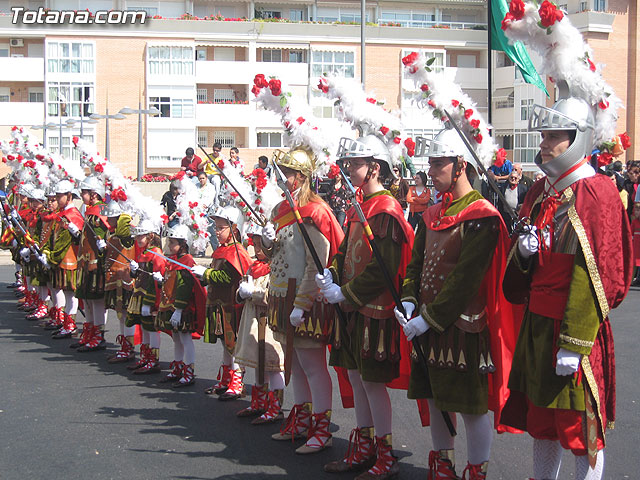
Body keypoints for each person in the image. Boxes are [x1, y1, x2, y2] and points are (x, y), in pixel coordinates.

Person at [501, 82, 633, 480]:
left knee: (581, 432)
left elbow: (602, 275)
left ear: (577, 138)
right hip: (538, 325)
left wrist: (575, 342)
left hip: (576, 329)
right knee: (542, 425)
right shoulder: (540, 191)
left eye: (554, 136)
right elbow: (523, 274)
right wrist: (523, 255)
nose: (544, 143)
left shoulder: (597, 192)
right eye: (543, 135)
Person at [396, 127, 516, 479]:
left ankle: (476, 470)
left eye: (437, 164)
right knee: (435, 400)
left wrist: (428, 317)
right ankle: (442, 465)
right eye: (430, 164)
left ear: (460, 165)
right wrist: (407, 301)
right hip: (427, 324)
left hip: (464, 326)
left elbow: (466, 280)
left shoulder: (482, 215)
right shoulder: (432, 214)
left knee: (470, 407)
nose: (430, 172)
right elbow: (415, 266)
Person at [317, 134, 414, 479]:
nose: (347, 169)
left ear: (375, 167)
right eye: (347, 163)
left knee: (372, 384)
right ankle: (364, 444)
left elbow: (382, 267)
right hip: (353, 309)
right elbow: (345, 253)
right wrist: (330, 275)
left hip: (374, 311)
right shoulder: (359, 207)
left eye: (355, 163)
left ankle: (384, 454)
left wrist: (347, 294)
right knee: (356, 379)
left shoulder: (386, 210)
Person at [263, 147, 344, 455]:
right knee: (294, 364)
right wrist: (266, 242)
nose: (279, 177)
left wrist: (303, 302)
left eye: (286, 172)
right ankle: (301, 418)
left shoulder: (316, 210)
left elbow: (317, 263)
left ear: (301, 177)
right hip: (282, 295)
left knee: (312, 365)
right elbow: (275, 256)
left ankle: (322, 429)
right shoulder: (280, 208)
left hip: (304, 299)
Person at [192, 206, 253, 401]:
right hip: (218, 304)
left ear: (234, 229)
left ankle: (237, 381)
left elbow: (227, 277)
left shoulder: (237, 251)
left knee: (233, 344)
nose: (216, 231)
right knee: (224, 345)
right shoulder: (221, 250)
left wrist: (207, 274)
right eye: (216, 227)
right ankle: (226, 378)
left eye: (221, 227)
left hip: (231, 306)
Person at [233, 221, 286, 424]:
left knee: (273, 365)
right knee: (257, 362)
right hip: (253, 321)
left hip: (270, 323)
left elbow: (274, 294)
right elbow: (242, 290)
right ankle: (259, 401)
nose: (257, 249)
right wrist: (241, 291)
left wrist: (254, 292)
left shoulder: (277, 266)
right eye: (254, 244)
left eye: (260, 243)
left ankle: (275, 406)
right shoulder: (253, 266)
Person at [155, 224, 205, 388]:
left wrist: (178, 309)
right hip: (171, 305)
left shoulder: (186, 261)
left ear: (183, 244)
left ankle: (189, 372)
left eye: (172, 242)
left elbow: (184, 287)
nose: (169, 246)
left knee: (185, 338)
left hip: (183, 308)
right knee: (176, 339)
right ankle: (177, 367)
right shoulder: (175, 260)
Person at [73, 175, 110, 353]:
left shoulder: (100, 211)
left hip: (96, 263)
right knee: (87, 299)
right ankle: (88, 331)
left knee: (96, 301)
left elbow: (106, 236)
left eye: (84, 193)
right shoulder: (89, 211)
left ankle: (98, 335)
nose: (82, 196)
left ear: (94, 194)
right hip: (85, 262)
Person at [126, 220, 167, 374]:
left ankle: (153, 360)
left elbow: (157, 282)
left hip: (149, 298)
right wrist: (134, 270)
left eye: (140, 236)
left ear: (150, 236)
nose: (137, 240)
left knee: (151, 328)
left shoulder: (156, 254)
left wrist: (152, 303)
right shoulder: (143, 253)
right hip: (140, 295)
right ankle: (145, 357)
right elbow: (139, 276)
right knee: (144, 328)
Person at [46, 180, 84, 339]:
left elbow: (79, 238)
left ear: (68, 196)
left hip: (70, 259)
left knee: (71, 294)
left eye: (59, 196)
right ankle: (66, 323)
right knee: (65, 292)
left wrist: (76, 232)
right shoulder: (62, 214)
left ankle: (70, 325)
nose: (56, 198)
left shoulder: (73, 214)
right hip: (61, 259)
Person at [103, 200, 136, 364]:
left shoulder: (126, 234)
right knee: (121, 316)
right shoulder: (113, 234)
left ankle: (128, 349)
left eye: (112, 218)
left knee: (126, 315)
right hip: (114, 279)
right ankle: (124, 347)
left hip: (124, 280)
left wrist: (124, 211)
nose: (108, 221)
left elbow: (124, 229)